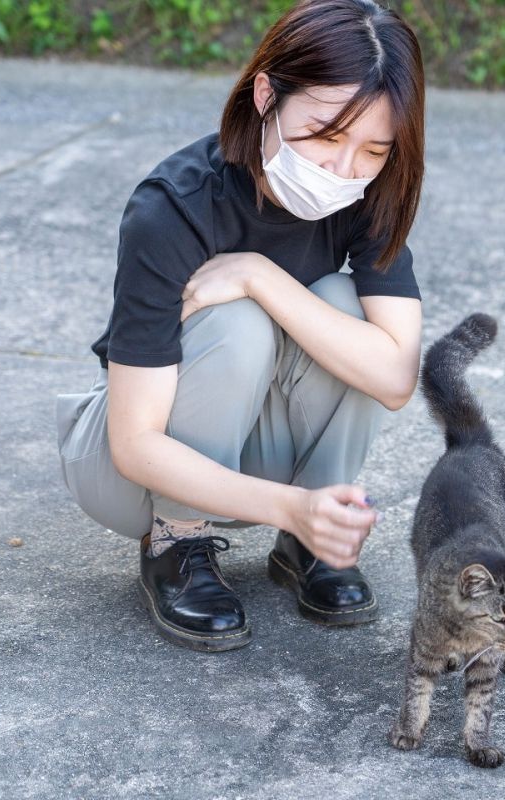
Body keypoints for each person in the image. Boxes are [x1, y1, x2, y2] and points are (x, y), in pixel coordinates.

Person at [54, 0, 425, 652]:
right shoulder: (172, 207)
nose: (345, 169)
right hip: (134, 469)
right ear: (265, 95)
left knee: (347, 305)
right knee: (241, 326)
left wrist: (258, 273)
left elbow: (395, 377)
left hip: (253, 444)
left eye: (373, 148)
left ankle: (316, 537)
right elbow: (134, 444)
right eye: (325, 135)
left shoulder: (373, 192)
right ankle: (177, 543)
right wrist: (285, 506)